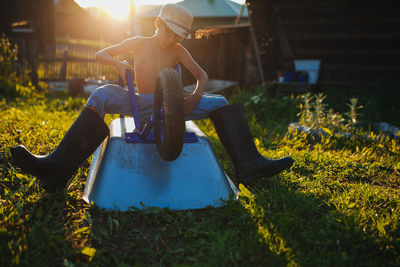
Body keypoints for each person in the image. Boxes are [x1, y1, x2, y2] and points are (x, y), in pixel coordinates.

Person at [11, 4, 293, 193]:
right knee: (101, 94)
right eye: (169, 31)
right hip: (138, 100)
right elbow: (101, 54)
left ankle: (249, 164)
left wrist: (195, 96)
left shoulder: (178, 50)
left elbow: (203, 76)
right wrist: (119, 65)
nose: (172, 38)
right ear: (158, 23)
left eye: (178, 35)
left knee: (219, 102)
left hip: (173, 104)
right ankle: (58, 166)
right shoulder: (138, 42)